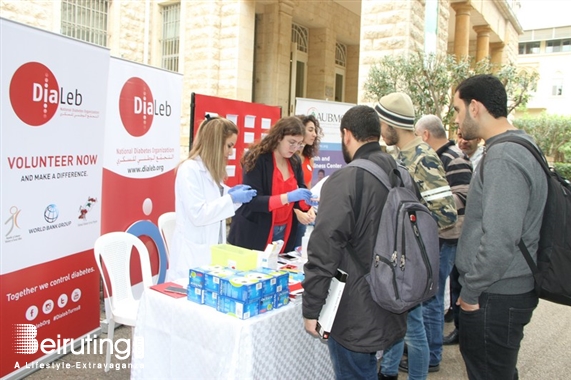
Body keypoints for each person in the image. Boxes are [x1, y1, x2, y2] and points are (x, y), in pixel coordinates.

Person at [302, 105, 407, 380]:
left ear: (347, 135)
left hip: (355, 311)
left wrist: (312, 308)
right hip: (394, 296)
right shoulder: (402, 174)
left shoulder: (345, 179)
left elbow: (323, 249)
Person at [453, 74, 547, 380]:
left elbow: (499, 240)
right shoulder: (518, 145)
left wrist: (470, 292)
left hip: (494, 295)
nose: (456, 118)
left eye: (457, 109)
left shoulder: (504, 156)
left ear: (475, 107)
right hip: (501, 292)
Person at [376, 92, 457, 380]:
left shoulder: (423, 158)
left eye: (380, 123)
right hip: (400, 256)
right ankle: (388, 372)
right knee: (402, 322)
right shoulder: (398, 155)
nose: (378, 130)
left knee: (414, 328)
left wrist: (410, 227)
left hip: (414, 259)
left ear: (391, 124)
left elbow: (446, 214)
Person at [166, 117, 257, 281]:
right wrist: (230, 198)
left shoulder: (210, 171)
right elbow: (198, 214)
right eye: (229, 146)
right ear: (215, 142)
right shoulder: (189, 169)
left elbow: (214, 200)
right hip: (192, 256)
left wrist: (232, 195)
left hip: (211, 254)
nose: (231, 152)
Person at [415, 115, 473, 367]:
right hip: (438, 235)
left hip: (445, 236)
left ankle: (431, 356)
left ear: (425, 135)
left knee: (432, 297)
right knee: (431, 295)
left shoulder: (452, 158)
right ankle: (427, 348)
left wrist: (432, 207)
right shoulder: (443, 157)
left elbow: (464, 196)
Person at [227, 116, 316, 253]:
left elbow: (300, 190)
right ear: (279, 137)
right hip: (255, 230)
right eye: (291, 142)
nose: (295, 148)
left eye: (299, 144)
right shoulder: (257, 158)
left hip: (285, 229)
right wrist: (287, 197)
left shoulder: (295, 161)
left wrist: (307, 204)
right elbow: (254, 201)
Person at [293, 114, 322, 248]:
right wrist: (296, 211)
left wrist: (310, 208)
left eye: (315, 130)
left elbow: (307, 189)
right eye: (310, 130)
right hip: (290, 212)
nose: (314, 134)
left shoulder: (309, 158)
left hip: (304, 214)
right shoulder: (290, 157)